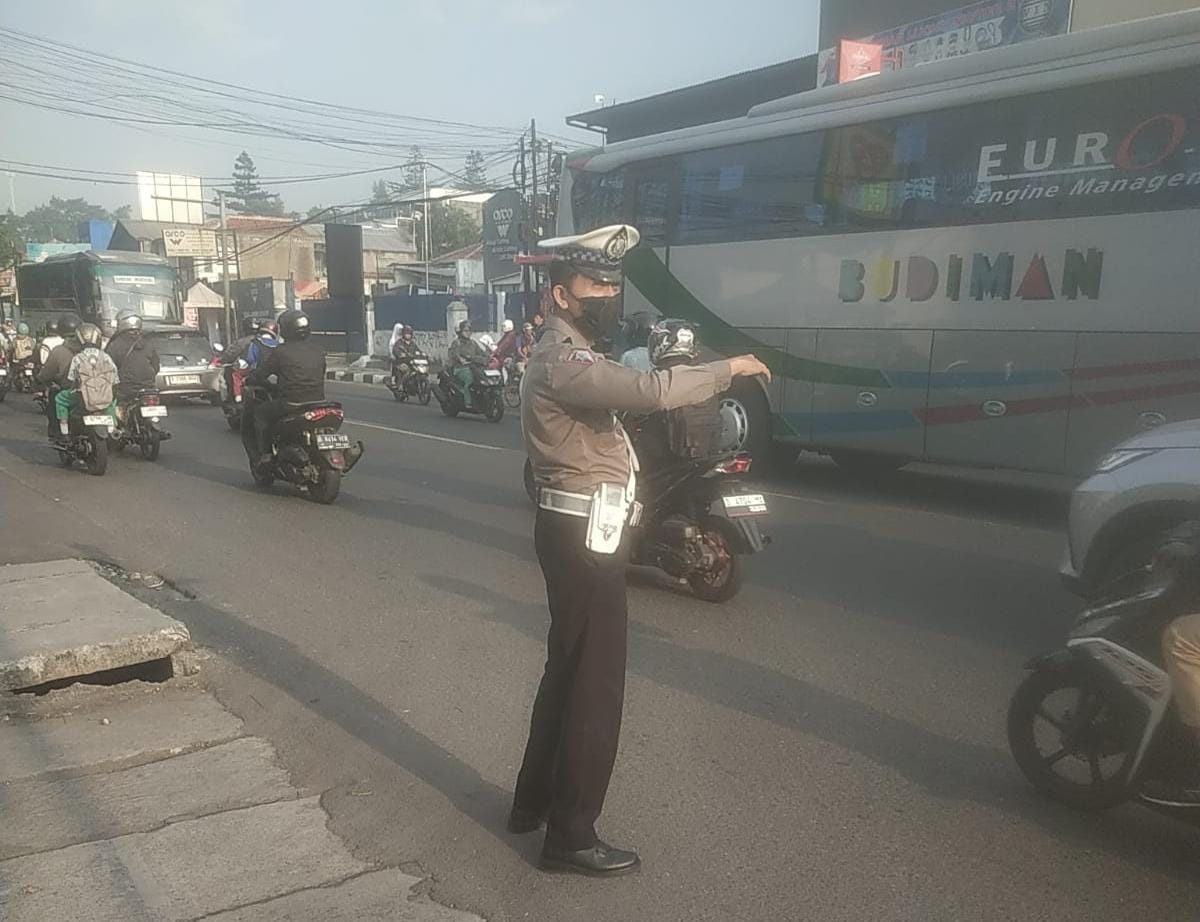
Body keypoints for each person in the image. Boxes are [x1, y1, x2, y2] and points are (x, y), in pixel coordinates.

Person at [510, 224, 770, 876]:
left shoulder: (571, 352)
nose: (606, 294)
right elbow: (652, 392)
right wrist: (728, 370)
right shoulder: (562, 360)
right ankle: (570, 836)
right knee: (596, 685)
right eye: (595, 284)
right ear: (560, 294)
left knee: (566, 669)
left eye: (611, 285)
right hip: (583, 535)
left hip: (577, 529)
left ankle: (532, 803)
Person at [246, 310, 326, 468]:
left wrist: (253, 377)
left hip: (291, 403)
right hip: (319, 401)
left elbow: (262, 374)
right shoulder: (318, 350)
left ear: (285, 329)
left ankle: (266, 454)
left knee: (260, 414)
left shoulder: (281, 351)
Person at [56, 323, 118, 438]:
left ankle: (64, 430)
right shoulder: (106, 357)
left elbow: (69, 380)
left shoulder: (78, 358)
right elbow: (115, 379)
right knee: (111, 402)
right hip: (104, 396)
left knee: (59, 399)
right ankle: (112, 427)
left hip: (82, 398)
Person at [106, 313, 160, 427]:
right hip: (149, 387)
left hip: (125, 388)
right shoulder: (148, 343)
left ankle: (119, 426)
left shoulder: (115, 345)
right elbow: (156, 365)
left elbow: (108, 368)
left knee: (115, 405)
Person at [37, 315, 82, 437]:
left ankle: (58, 432)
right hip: (93, 391)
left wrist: (40, 382)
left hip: (68, 390)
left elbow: (45, 375)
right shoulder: (91, 349)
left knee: (54, 398)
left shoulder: (58, 351)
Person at [445, 319, 488, 407]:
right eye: (465, 331)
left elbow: (481, 352)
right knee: (470, 380)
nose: (468, 333)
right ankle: (467, 402)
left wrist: (488, 355)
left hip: (474, 367)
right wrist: (461, 359)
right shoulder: (456, 343)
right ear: (460, 331)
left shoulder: (473, 343)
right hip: (460, 368)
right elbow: (455, 354)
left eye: (469, 330)